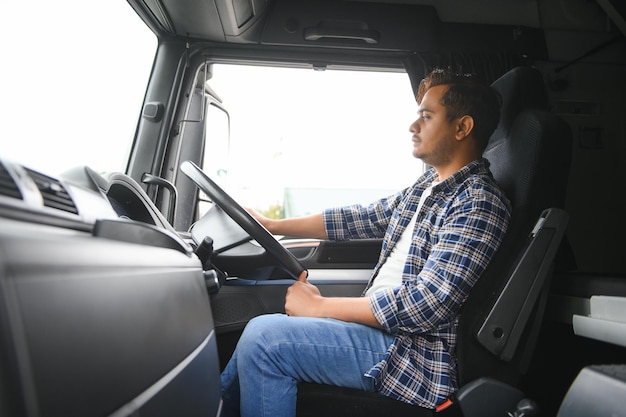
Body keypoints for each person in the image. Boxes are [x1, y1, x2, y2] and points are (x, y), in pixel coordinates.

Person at [220, 68, 512, 417]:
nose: (413, 126)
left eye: (426, 116)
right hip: (384, 335)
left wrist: (320, 307)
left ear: (462, 127)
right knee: (259, 329)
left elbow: (428, 302)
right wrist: (271, 224)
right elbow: (357, 219)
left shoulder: (478, 201)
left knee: (266, 341)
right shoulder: (425, 189)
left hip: (411, 354)